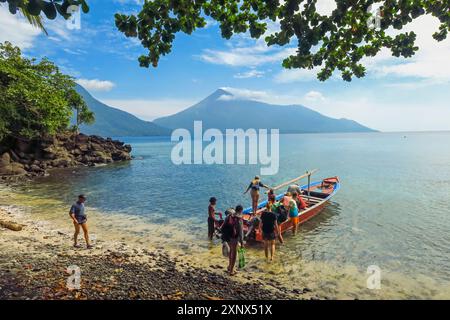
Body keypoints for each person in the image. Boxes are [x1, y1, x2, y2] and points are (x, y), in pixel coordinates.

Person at [221, 205, 244, 276]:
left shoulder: (229, 216)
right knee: (234, 253)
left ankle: (229, 266)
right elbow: (240, 232)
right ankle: (231, 271)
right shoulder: (239, 219)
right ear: (241, 211)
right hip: (234, 238)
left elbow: (223, 226)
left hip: (228, 236)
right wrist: (242, 242)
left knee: (231, 251)